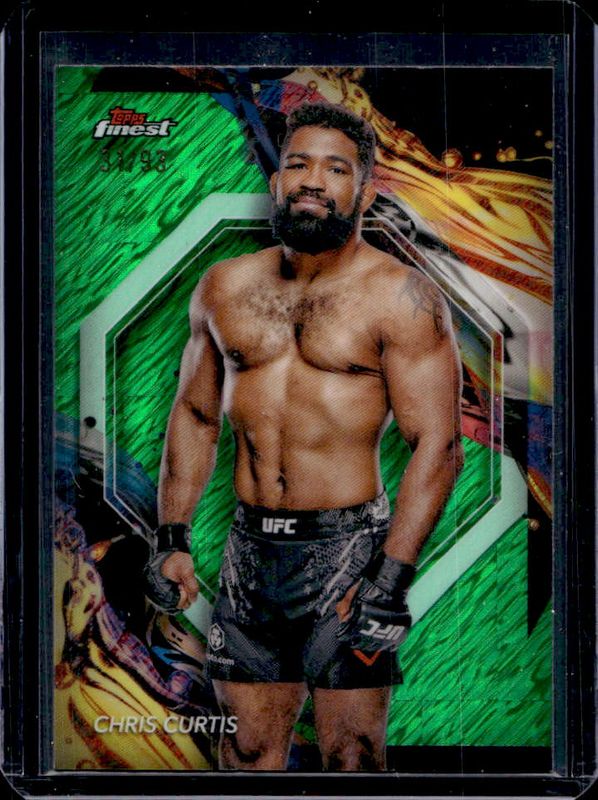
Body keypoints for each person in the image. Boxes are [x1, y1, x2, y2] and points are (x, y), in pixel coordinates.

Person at [143, 102, 463, 771]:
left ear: (365, 193)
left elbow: (437, 445)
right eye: (298, 164)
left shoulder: (401, 297)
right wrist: (172, 538)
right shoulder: (225, 286)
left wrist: (389, 581)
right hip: (250, 552)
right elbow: (196, 415)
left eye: (336, 169)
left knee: (353, 754)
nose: (313, 180)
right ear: (276, 181)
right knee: (246, 750)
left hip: (348, 553)